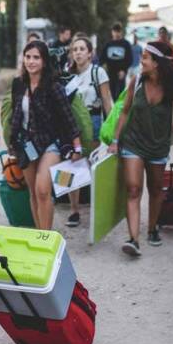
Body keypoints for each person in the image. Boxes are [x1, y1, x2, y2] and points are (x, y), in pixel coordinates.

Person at [108, 41, 173, 255]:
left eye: (145, 58)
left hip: (158, 146)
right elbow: (124, 112)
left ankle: (152, 229)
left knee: (155, 191)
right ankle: (133, 239)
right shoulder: (137, 81)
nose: (140, 61)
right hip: (133, 143)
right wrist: (115, 140)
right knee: (133, 189)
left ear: (157, 63)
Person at [9, 40, 82, 230]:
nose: (31, 61)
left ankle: (46, 237)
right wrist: (12, 141)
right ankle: (40, 235)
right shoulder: (18, 84)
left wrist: (77, 146)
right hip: (26, 143)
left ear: (44, 61)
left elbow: (68, 118)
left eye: (36, 57)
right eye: (28, 57)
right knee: (33, 192)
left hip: (50, 143)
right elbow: (15, 115)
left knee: (43, 191)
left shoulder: (53, 86)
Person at [65, 36, 114, 227]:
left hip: (93, 121)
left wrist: (111, 133)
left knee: (92, 166)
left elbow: (107, 103)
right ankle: (74, 211)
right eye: (74, 49)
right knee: (71, 165)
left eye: (81, 49)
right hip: (73, 122)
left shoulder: (98, 72)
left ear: (90, 53)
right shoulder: (67, 74)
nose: (77, 52)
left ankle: (99, 212)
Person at [100, 23, 133, 99]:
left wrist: (124, 70)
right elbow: (102, 58)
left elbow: (130, 59)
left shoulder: (126, 44)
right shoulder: (108, 44)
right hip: (110, 73)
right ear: (112, 32)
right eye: (115, 31)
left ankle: (120, 109)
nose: (116, 33)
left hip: (121, 73)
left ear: (121, 32)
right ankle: (115, 108)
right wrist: (103, 66)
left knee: (121, 94)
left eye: (118, 31)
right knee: (112, 93)